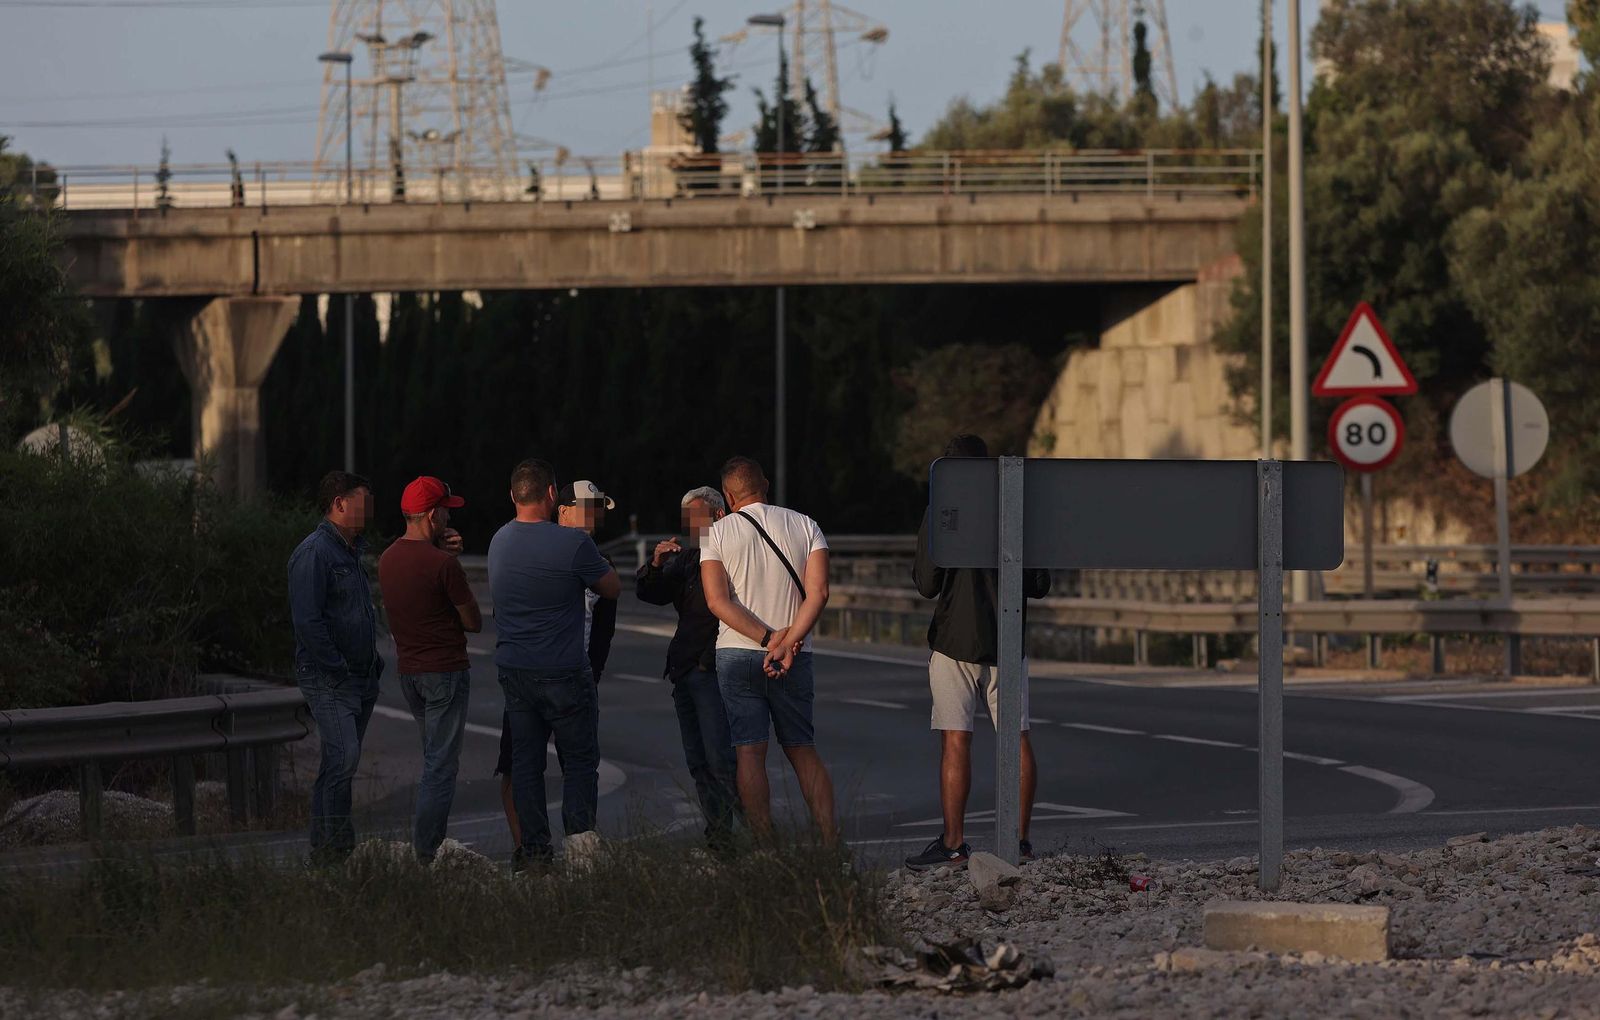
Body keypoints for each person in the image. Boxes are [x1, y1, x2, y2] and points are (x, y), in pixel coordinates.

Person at [904, 434, 1052, 870]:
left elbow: (927, 583)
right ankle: (1021, 842)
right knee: (1017, 736)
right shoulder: (1015, 507)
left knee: (956, 739)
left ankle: (953, 844)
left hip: (955, 639)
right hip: (1008, 639)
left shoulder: (943, 510)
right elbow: (1039, 583)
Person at [488, 458, 621, 868]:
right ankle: (581, 852)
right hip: (564, 670)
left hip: (515, 671)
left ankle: (534, 855)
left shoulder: (498, 541)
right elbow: (612, 588)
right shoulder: (574, 545)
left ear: (513, 496)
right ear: (551, 494)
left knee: (526, 766)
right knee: (579, 762)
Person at [701, 456, 835, 843]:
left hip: (738, 654)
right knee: (802, 750)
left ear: (728, 494)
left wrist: (766, 640)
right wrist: (787, 642)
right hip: (796, 655)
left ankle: (764, 846)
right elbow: (819, 593)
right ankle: (830, 843)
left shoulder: (716, 533)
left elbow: (717, 600)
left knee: (749, 753)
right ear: (766, 485)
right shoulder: (806, 525)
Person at [377, 475, 480, 863]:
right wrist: (450, 561)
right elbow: (473, 621)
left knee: (431, 757)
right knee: (441, 765)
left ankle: (428, 847)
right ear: (433, 515)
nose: (449, 521)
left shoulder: (387, 560)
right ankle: (427, 851)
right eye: (446, 514)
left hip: (409, 673)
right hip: (445, 671)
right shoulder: (443, 565)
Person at [636, 485, 740, 852]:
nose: (692, 526)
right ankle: (719, 836)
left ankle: (739, 835)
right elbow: (650, 593)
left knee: (720, 759)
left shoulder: (732, 552)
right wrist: (655, 564)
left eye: (698, 517)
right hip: (683, 667)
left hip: (712, 668)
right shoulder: (689, 556)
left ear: (718, 515)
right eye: (688, 519)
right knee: (698, 761)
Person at [287, 470, 382, 864]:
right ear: (340, 503)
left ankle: (329, 849)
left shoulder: (351, 550)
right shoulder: (315, 552)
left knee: (338, 761)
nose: (370, 508)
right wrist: (337, 666)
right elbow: (308, 620)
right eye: (363, 499)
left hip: (359, 675)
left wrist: (370, 664)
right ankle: (333, 849)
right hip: (329, 676)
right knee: (344, 758)